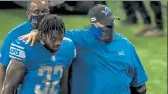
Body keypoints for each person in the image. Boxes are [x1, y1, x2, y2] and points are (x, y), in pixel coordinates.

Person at [20, 4, 148, 94]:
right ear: (93, 23)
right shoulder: (75, 38)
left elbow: (139, 86)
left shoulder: (126, 45)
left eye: (110, 23)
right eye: (103, 24)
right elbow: (52, 34)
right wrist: (37, 32)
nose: (108, 26)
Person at [1, 14, 76, 94]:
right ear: (42, 35)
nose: (58, 43)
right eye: (53, 38)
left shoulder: (68, 47)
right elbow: (9, 86)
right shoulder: (27, 47)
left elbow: (63, 86)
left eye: (60, 38)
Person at [0, 0, 50, 94]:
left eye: (45, 11)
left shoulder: (55, 32)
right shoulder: (14, 35)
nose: (41, 15)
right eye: (37, 12)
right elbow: (2, 66)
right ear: (28, 14)